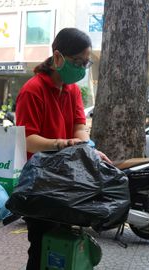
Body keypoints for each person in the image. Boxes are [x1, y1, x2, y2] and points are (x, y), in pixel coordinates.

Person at [15, 28, 111, 270]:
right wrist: (61, 143)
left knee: (65, 247)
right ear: (57, 58)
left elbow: (80, 128)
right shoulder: (32, 90)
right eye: (77, 61)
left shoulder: (73, 90)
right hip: (39, 185)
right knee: (40, 247)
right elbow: (28, 140)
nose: (81, 68)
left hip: (66, 182)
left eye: (85, 63)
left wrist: (87, 148)